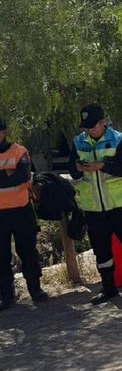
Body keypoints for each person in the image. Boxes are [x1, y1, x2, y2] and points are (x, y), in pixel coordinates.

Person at [70, 104, 122, 303]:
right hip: (93, 207)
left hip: (120, 205)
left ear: (103, 121)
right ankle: (108, 288)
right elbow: (72, 171)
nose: (89, 130)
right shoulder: (78, 142)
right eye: (86, 127)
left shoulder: (118, 139)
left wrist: (102, 165)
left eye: (93, 126)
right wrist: (78, 168)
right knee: (101, 251)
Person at [0, 118, 48, 310]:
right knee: (1, 257)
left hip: (21, 210)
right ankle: (6, 296)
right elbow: (13, 178)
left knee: (28, 251)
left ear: (4, 132)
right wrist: (7, 174)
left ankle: (35, 290)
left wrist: (10, 177)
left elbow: (22, 175)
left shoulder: (19, 151)